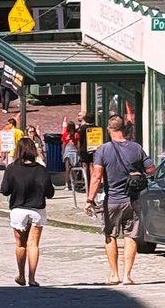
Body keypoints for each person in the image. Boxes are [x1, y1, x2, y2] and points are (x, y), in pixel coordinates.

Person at [86, 115, 155, 285]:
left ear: (109, 129)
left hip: (112, 200)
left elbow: (96, 176)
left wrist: (90, 199)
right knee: (131, 236)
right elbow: (151, 169)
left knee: (110, 235)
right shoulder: (136, 148)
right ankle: (127, 276)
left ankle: (114, 273)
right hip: (133, 200)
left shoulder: (103, 150)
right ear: (124, 128)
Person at [0, 136, 55, 287]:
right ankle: (32, 277)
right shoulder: (41, 170)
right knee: (34, 244)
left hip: (18, 209)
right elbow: (50, 193)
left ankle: (21, 275)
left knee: (20, 244)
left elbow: (5, 190)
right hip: (37, 209)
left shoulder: (12, 168)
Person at [62, 121, 80, 187]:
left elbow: (78, 144)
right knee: (68, 168)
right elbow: (64, 143)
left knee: (73, 167)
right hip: (69, 150)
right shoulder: (66, 134)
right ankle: (68, 183)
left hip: (72, 150)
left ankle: (74, 182)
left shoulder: (76, 134)